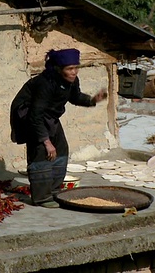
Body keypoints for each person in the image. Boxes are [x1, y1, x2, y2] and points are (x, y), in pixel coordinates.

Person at [10, 48, 107, 208]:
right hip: (29, 115)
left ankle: (54, 191)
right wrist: (46, 141)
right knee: (41, 152)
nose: (74, 72)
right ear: (59, 69)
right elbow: (35, 115)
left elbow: (75, 97)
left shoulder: (72, 81)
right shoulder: (45, 83)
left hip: (49, 117)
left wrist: (92, 100)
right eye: (70, 68)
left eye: (76, 67)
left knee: (61, 150)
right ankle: (42, 198)